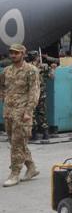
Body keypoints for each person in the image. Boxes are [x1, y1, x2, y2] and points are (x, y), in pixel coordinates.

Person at [0, 44, 40, 187]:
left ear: (23, 53)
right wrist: (3, 97)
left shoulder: (31, 71)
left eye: (16, 53)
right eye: (11, 53)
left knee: (17, 142)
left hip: (22, 113)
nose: (13, 55)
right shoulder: (7, 71)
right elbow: (2, 86)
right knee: (15, 141)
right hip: (9, 112)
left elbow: (34, 92)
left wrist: (28, 112)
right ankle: (31, 167)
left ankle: (14, 174)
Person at [28, 51, 56, 141]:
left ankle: (34, 134)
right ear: (37, 57)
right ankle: (45, 133)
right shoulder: (43, 66)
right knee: (42, 113)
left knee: (31, 113)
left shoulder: (26, 67)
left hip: (31, 94)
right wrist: (53, 69)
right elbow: (51, 77)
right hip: (41, 93)